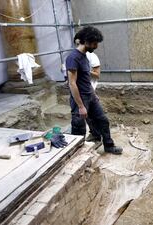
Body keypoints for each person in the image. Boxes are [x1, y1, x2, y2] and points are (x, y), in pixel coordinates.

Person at [66, 26, 122, 154]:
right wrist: (80, 106)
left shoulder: (84, 56)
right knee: (79, 127)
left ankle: (108, 146)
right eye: (94, 43)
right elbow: (72, 84)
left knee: (103, 120)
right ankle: (77, 155)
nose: (96, 46)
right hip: (80, 99)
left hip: (90, 96)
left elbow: (86, 79)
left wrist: (93, 94)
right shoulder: (73, 58)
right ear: (86, 41)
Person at [73, 34, 102, 142]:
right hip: (80, 90)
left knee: (91, 115)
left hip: (89, 89)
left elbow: (97, 75)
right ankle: (94, 134)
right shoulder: (74, 56)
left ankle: (96, 135)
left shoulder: (91, 56)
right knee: (86, 116)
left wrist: (83, 71)